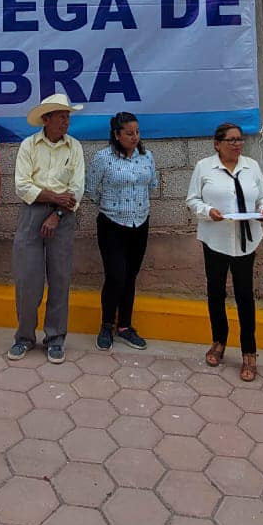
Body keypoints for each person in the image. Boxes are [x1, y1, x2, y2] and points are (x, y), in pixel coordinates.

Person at [186, 122, 263, 383]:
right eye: (231, 140)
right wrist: (207, 212)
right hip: (215, 239)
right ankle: (218, 342)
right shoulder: (204, 167)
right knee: (216, 292)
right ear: (217, 144)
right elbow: (193, 199)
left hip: (246, 241)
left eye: (239, 140)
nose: (237, 145)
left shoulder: (251, 166)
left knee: (245, 296)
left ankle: (249, 352)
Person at [9, 93, 85, 364]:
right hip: (31, 215)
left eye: (67, 116)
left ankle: (55, 338)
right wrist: (55, 197)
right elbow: (22, 186)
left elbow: (77, 188)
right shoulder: (29, 145)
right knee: (27, 279)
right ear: (46, 119)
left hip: (62, 218)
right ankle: (24, 337)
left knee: (60, 278)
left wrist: (58, 213)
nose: (66, 121)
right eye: (61, 116)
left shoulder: (74, 147)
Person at [85, 111, 158, 351]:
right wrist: (113, 206)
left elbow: (153, 185)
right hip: (112, 224)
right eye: (128, 133)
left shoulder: (146, 157)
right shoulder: (103, 158)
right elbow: (91, 189)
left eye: (137, 132)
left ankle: (125, 326)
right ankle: (107, 325)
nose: (134, 137)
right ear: (116, 135)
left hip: (140, 223)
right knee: (115, 276)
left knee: (130, 277)